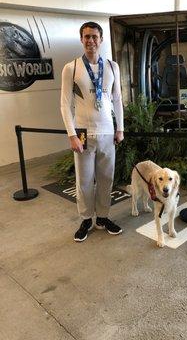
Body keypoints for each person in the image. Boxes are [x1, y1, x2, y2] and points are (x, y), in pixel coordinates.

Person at [61, 21, 124, 242]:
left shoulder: (112, 66)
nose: (90, 41)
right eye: (86, 37)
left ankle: (103, 218)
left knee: (106, 178)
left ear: (101, 39)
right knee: (84, 180)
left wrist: (120, 129)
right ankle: (87, 219)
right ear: (81, 39)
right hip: (82, 132)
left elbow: (117, 99)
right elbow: (65, 104)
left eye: (94, 36)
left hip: (108, 131)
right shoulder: (72, 68)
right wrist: (71, 134)